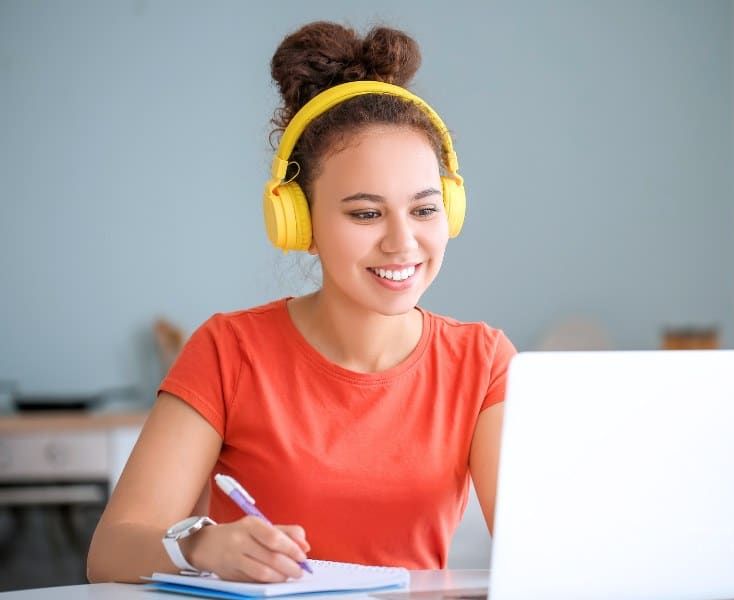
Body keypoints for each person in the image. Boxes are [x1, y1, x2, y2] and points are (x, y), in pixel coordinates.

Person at [86, 21, 516, 584]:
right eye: (365, 213)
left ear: (451, 211)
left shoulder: (482, 362)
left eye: (424, 209)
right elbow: (111, 553)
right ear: (298, 224)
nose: (402, 241)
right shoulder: (228, 351)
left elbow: (550, 548)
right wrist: (203, 547)